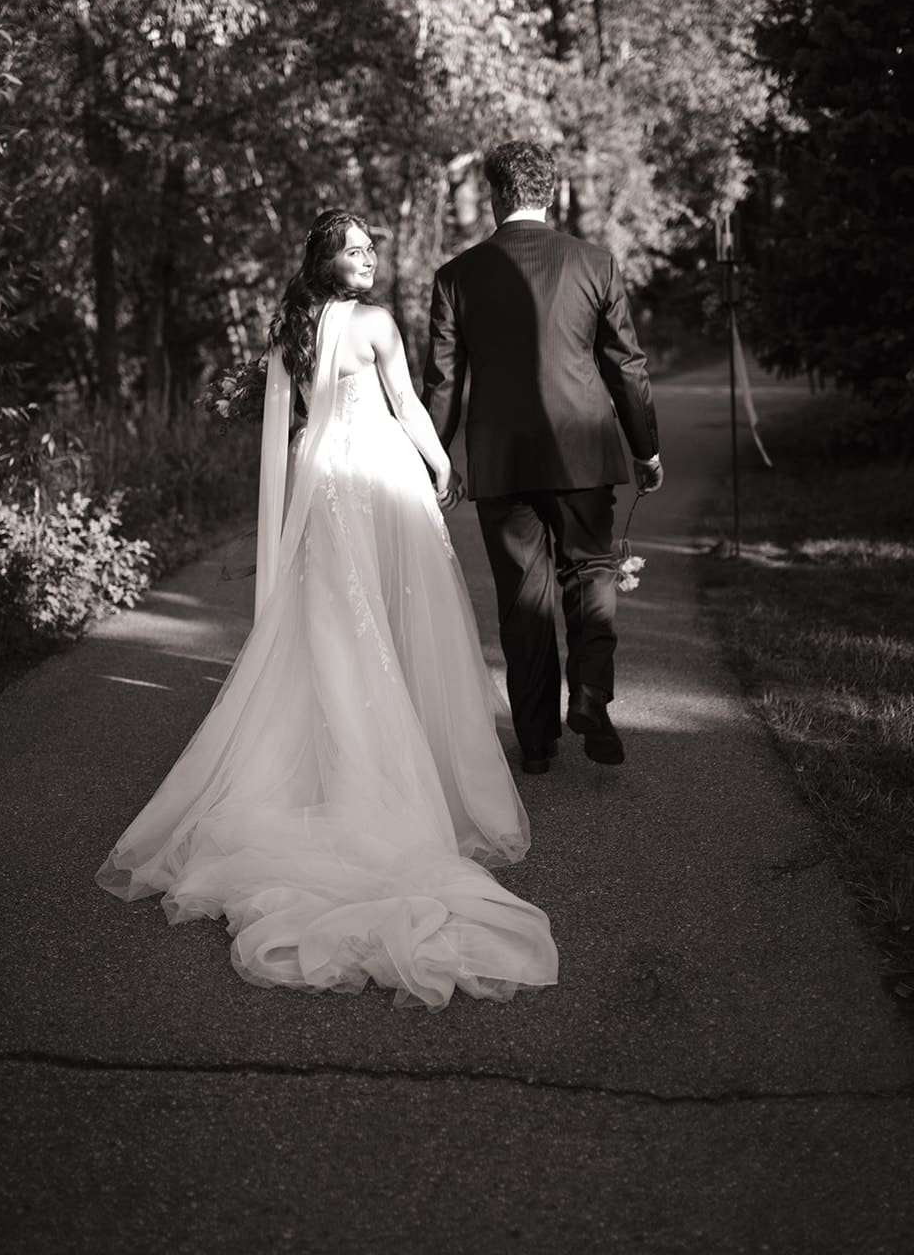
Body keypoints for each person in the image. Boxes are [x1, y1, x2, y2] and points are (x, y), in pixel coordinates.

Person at [97, 210, 557, 1009]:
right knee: (390, 612)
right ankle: (391, 764)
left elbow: (293, 423)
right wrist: (441, 461)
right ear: (327, 261)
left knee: (333, 625)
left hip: (322, 479)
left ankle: (332, 749)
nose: (367, 258)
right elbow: (406, 404)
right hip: (374, 473)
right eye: (352, 250)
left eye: (370, 247)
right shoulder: (374, 324)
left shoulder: (293, 329)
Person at [423, 140, 662, 775]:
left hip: (501, 464)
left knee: (523, 601)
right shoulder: (594, 263)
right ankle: (588, 694)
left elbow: (442, 386)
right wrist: (647, 450)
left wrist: (430, 463)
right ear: (549, 194)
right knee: (589, 574)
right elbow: (626, 367)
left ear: (496, 196)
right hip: (583, 452)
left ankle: (536, 743)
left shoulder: (456, 277)